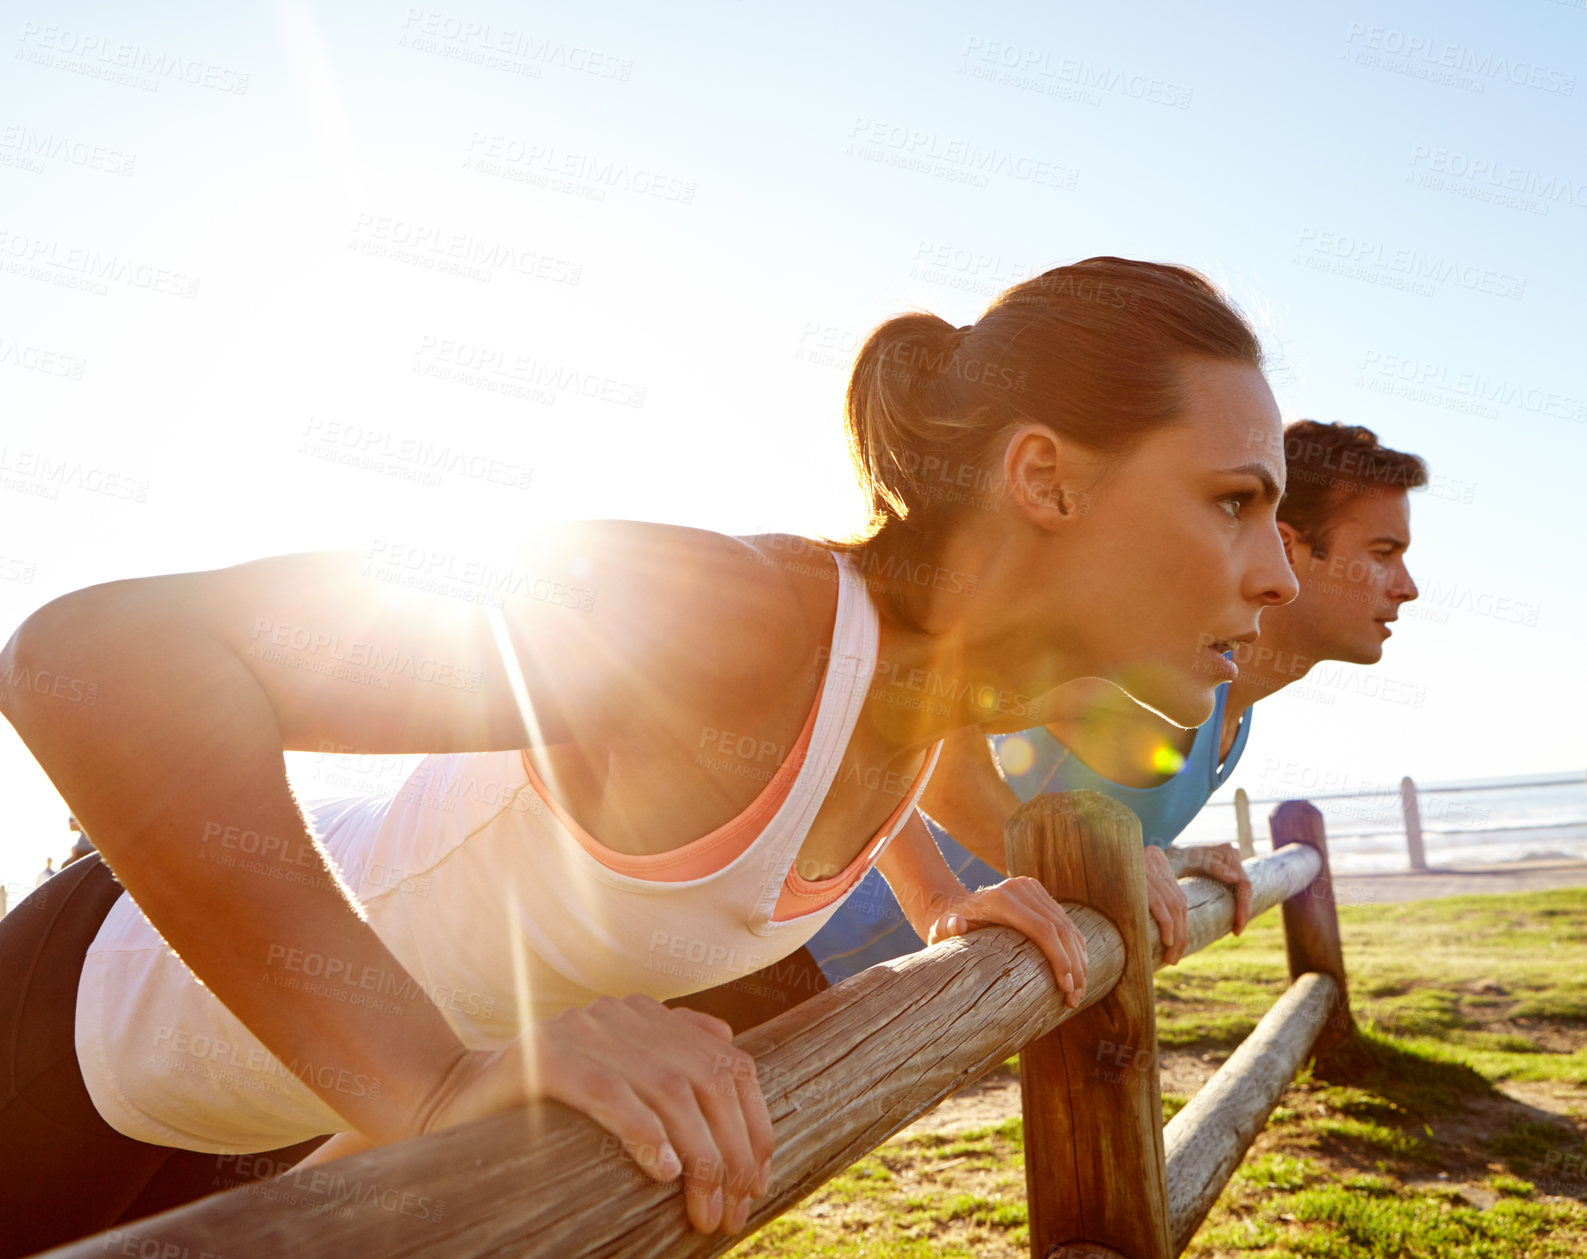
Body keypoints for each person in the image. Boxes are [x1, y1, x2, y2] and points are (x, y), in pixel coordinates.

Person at [0, 256, 1297, 1253]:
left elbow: (915, 772)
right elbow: (103, 657)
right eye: (1232, 499)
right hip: (78, 1028)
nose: (1274, 570)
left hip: (256, 1109)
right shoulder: (733, 616)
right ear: (1045, 480)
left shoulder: (921, 684)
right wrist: (431, 1079)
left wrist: (961, 899)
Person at [800, 420, 1425, 987]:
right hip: (798, 958)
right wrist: (938, 897)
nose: (1408, 587)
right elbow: (910, 712)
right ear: (1290, 550)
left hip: (905, 995)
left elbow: (1088, 828)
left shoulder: (1225, 701)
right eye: (1382, 554)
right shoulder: (1145, 676)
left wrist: (1166, 859)